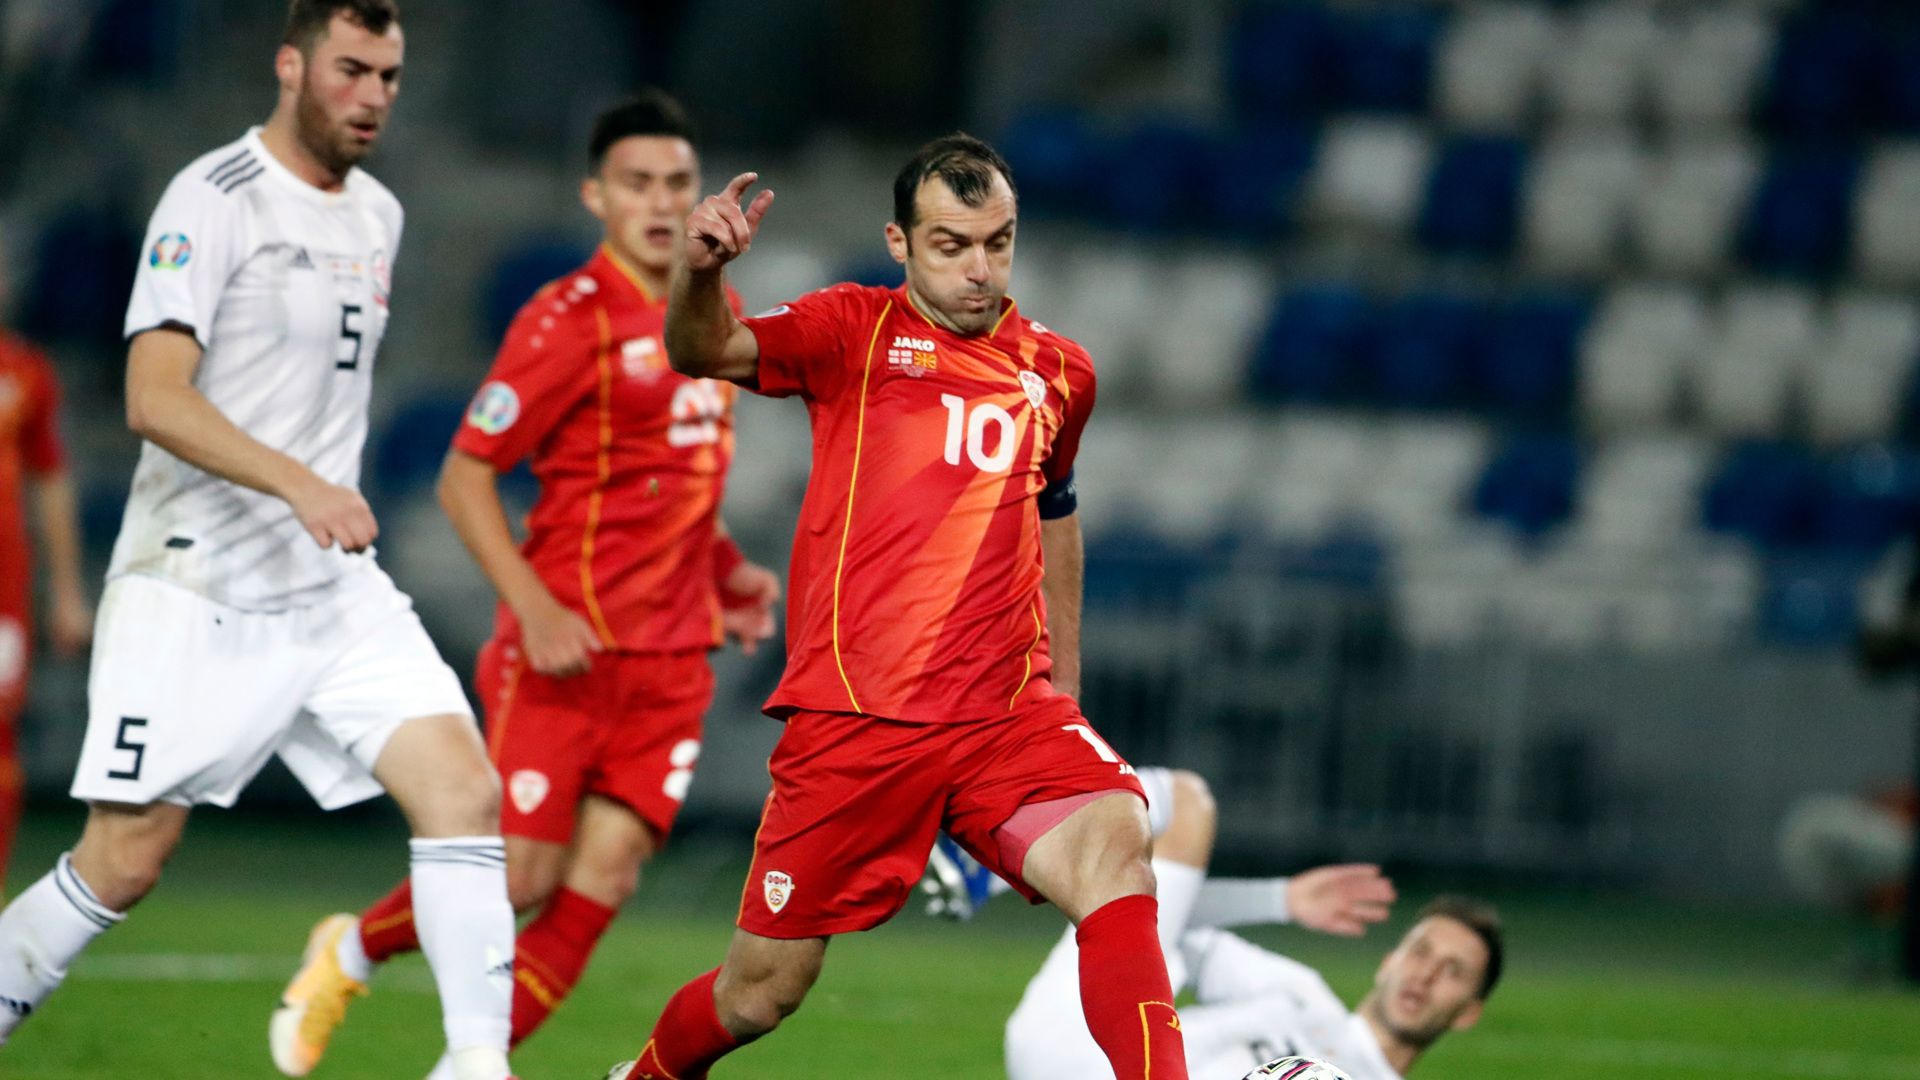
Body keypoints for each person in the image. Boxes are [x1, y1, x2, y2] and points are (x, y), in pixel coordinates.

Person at [0, 6, 522, 1079]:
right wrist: (298, 484)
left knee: (464, 790)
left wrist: (314, 502)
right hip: (197, 577)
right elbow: (150, 397)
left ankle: (478, 1065)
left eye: (389, 74)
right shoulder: (212, 198)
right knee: (124, 862)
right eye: (351, 69)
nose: (373, 94)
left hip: (330, 586)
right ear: (291, 67)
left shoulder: (378, 212)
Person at [611, 133, 1189, 1080]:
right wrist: (699, 271)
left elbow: (1056, 510)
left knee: (1117, 850)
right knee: (758, 993)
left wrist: (1062, 692)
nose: (980, 268)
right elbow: (700, 346)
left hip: (1004, 717)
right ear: (900, 242)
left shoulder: (1059, 373)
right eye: (952, 245)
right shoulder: (851, 332)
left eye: (998, 242)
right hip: (858, 723)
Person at [273, 90, 780, 1078]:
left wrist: (730, 570)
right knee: (521, 876)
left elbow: (679, 480)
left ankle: (471, 1066)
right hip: (568, 650)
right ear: (596, 196)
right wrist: (537, 609)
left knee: (608, 872)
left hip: (673, 658)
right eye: (638, 183)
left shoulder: (714, 313)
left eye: (679, 181)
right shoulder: (565, 320)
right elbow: (464, 476)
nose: (663, 201)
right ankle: (350, 947)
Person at [1003, 770, 1498, 1080]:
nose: (1426, 975)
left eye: (1453, 971)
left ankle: (999, 854)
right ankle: (991, 864)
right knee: (1187, 804)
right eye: (1420, 952)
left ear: (1467, 1014)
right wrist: (1277, 900)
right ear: (1389, 962)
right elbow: (1152, 917)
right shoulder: (1297, 992)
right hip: (1078, 1043)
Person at [0, 236, 93, 892]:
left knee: (2, 742)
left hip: (4, 591)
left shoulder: (25, 371)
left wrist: (65, 591)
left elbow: (51, 480)